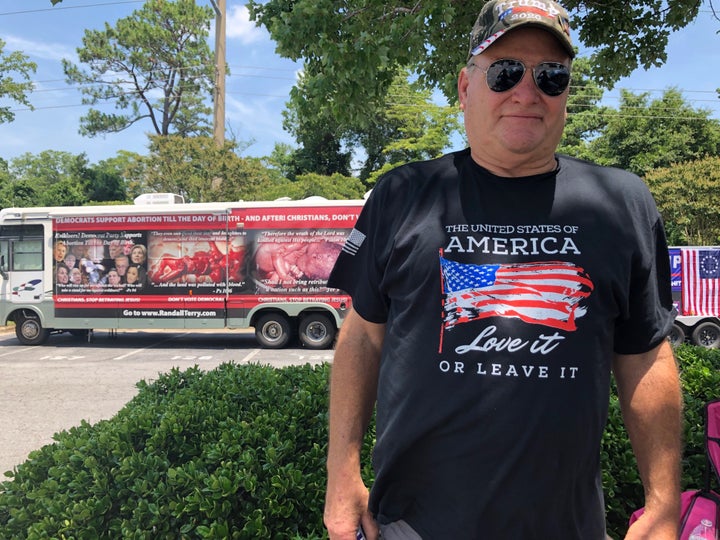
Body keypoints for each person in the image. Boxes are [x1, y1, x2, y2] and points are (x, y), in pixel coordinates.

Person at [323, 1, 682, 539]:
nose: (526, 91)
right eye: (506, 71)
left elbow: (647, 356)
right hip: (413, 525)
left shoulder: (621, 203)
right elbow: (363, 341)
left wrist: (663, 502)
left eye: (551, 76)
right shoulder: (402, 195)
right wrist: (340, 473)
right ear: (466, 88)